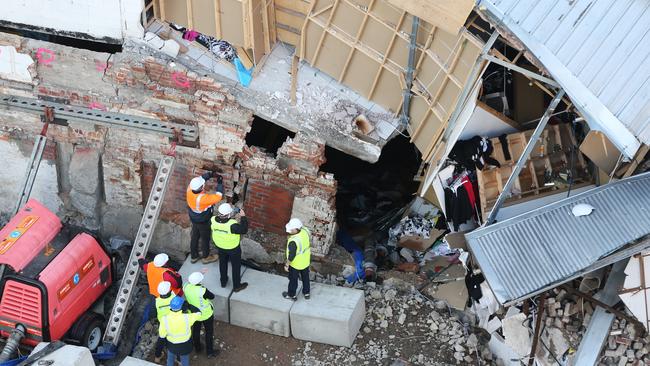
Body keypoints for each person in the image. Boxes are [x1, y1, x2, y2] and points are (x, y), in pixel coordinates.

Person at [187, 171, 223, 264]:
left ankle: (194, 256)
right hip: (203, 220)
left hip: (194, 217)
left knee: (195, 236)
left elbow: (201, 179)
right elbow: (219, 196)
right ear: (201, 187)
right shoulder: (202, 199)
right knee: (205, 238)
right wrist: (219, 183)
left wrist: (211, 174)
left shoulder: (190, 189)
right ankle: (206, 257)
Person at [211, 203, 248, 292]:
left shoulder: (212, 220)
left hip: (220, 246)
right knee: (236, 266)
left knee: (223, 263)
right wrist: (243, 217)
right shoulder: (232, 225)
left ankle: (223, 282)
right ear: (228, 215)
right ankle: (237, 286)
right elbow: (244, 230)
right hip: (233, 248)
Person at [183, 272, 219, 358]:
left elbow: (190, 281)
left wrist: (200, 273)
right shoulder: (202, 290)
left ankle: (197, 348)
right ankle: (209, 352)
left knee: (196, 330)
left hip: (194, 314)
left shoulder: (186, 286)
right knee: (209, 332)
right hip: (206, 314)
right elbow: (212, 296)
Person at [159, 296, 201, 366]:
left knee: (170, 360)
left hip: (171, 345)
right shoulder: (187, 317)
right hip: (185, 345)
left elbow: (162, 335)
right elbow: (199, 314)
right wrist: (189, 306)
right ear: (182, 307)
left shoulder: (164, 319)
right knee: (185, 361)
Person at [282, 218, 311, 300]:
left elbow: (291, 255)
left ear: (296, 229)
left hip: (296, 264)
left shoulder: (293, 241)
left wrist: (287, 265)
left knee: (293, 280)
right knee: (305, 278)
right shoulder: (305, 231)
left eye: (291, 229)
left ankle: (291, 295)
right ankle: (306, 293)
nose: (289, 230)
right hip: (305, 261)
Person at [153, 281, 176, 364]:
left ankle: (157, 356)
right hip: (173, 322)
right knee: (175, 339)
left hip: (162, 323)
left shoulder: (157, 301)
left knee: (161, 338)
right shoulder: (173, 298)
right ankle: (178, 359)